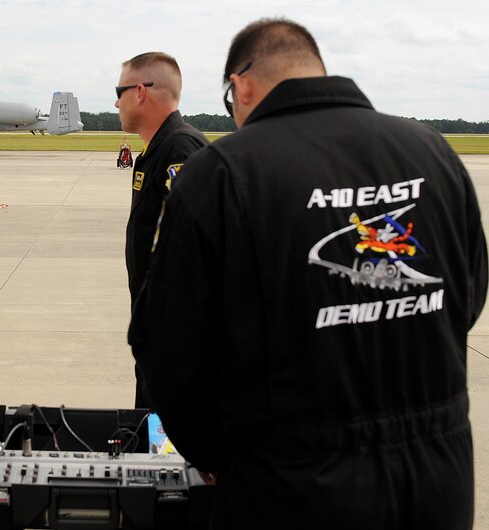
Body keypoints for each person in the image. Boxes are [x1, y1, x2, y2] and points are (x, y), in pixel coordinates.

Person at [130, 18, 487, 529]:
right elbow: (467, 298)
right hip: (437, 478)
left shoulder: (222, 173)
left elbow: (167, 349)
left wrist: (215, 456)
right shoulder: (434, 153)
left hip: (290, 485)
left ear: (241, 86)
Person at [115, 51, 208, 408]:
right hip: (158, 330)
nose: (116, 102)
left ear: (140, 92)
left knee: (164, 427)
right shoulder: (157, 151)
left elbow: (195, 247)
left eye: (120, 91)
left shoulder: (180, 148)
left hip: (177, 337)